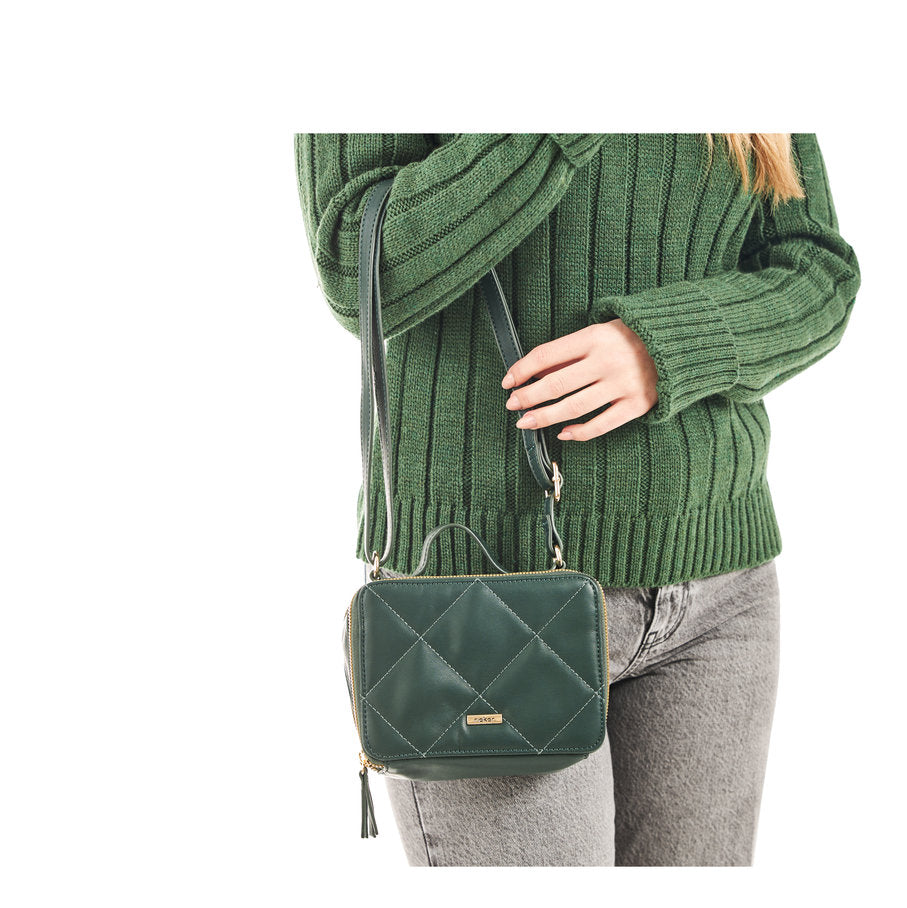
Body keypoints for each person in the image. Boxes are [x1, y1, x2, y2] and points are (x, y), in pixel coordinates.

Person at [294, 133, 862, 866]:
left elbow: (818, 270)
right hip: (485, 594)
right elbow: (357, 265)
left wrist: (666, 347)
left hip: (719, 583)